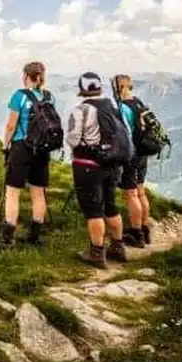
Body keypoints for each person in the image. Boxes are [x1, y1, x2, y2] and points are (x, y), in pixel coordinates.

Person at [0, 61, 62, 248]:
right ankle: (34, 235)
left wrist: (6, 145)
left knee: (12, 191)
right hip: (42, 148)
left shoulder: (19, 96)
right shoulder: (48, 97)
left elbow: (11, 125)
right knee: (38, 192)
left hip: (22, 147)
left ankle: (7, 237)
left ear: (27, 76)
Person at [66, 71, 130, 269]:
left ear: (81, 89)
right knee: (111, 207)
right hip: (113, 165)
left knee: (94, 210)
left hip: (88, 167)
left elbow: (73, 139)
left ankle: (97, 253)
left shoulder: (80, 110)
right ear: (100, 87)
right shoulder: (112, 107)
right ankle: (118, 248)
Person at [112, 74, 151, 248]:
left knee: (131, 194)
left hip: (131, 154)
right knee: (141, 191)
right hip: (143, 153)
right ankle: (144, 229)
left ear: (118, 88)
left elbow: (123, 134)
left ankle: (136, 234)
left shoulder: (122, 107)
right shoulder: (139, 103)